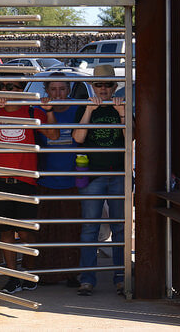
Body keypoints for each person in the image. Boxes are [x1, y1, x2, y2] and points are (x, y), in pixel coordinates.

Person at [0, 78, 59, 294]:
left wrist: (49, 111)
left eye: (11, 87)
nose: (6, 91)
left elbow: (54, 135)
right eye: (2, 87)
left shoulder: (33, 113)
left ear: (21, 90)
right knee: (6, 231)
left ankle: (28, 272)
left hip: (26, 180)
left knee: (25, 233)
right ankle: (12, 276)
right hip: (0, 181)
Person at [72, 64, 127, 296]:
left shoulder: (121, 107)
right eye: (98, 84)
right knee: (89, 228)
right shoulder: (83, 108)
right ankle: (87, 279)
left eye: (107, 84)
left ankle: (122, 277)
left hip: (118, 174)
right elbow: (78, 138)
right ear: (92, 86)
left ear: (115, 87)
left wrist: (123, 112)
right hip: (93, 175)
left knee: (120, 228)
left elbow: (130, 139)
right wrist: (88, 111)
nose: (103, 89)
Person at [35, 73, 81, 287]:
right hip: (44, 179)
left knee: (71, 230)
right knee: (45, 230)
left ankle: (71, 273)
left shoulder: (78, 108)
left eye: (62, 89)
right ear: (46, 90)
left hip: (73, 180)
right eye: (53, 89)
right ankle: (44, 274)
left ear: (69, 90)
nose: (58, 93)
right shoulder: (38, 110)